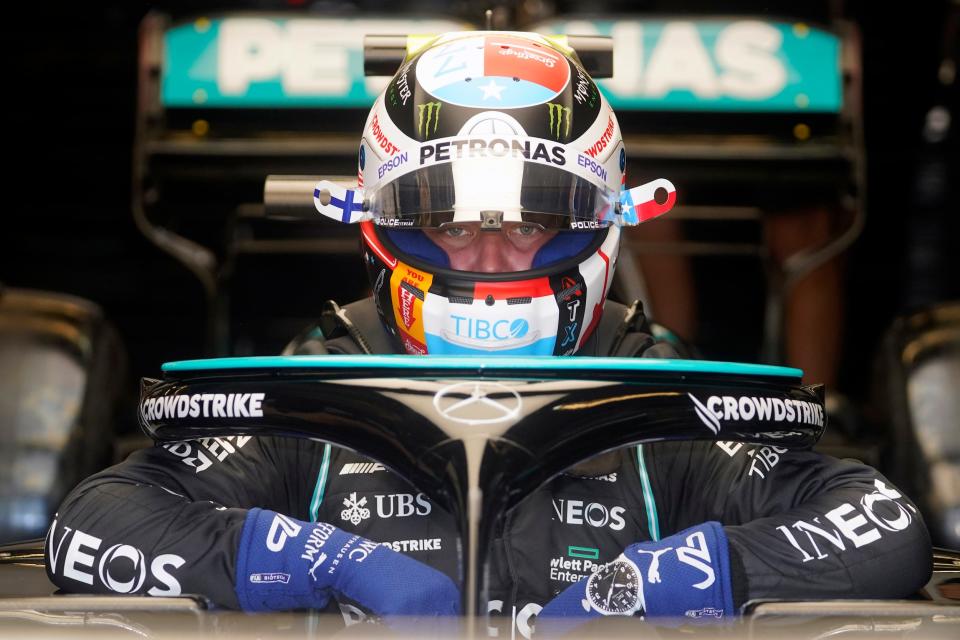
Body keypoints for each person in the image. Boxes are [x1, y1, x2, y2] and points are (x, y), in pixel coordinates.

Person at [45, 31, 930, 637]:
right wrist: (310, 554)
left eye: (534, 222)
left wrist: (664, 581)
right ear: (378, 224)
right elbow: (90, 524)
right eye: (451, 223)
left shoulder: (664, 392)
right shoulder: (319, 382)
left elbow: (884, 528)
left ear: (606, 222)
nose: (494, 257)